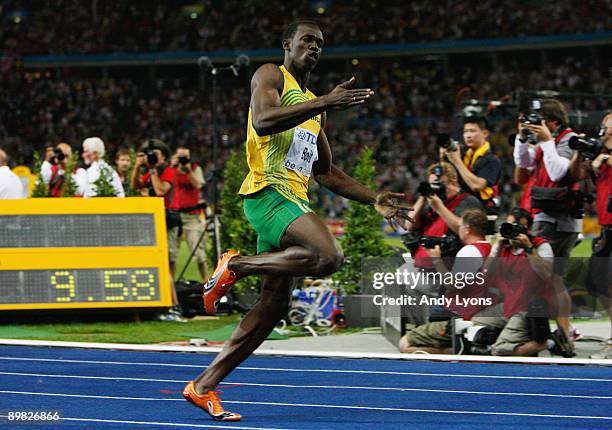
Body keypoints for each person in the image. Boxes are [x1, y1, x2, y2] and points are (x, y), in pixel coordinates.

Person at [183, 19, 409, 422]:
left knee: (272, 307)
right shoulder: (271, 75)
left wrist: (374, 198)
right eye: (307, 40)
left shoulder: (312, 108)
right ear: (287, 44)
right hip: (268, 194)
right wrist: (323, 101)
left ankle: (203, 386)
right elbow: (264, 119)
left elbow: (325, 171)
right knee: (328, 255)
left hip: (291, 200)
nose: (315, 47)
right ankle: (235, 266)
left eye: (321, 43)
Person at [512, 99, 579, 339]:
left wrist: (547, 140)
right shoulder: (547, 141)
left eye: (538, 120)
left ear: (551, 122)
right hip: (548, 215)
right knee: (554, 280)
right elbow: (525, 163)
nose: (534, 125)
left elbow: (558, 172)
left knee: (542, 277)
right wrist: (521, 139)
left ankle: (553, 331)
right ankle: (565, 330)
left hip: (557, 219)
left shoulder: (567, 140)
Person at [399, 208, 503, 354]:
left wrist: (436, 260)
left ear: (467, 230)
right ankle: (465, 349)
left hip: (459, 316)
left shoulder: (469, 251)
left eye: (460, 227)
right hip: (473, 311)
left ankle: (464, 350)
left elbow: (453, 285)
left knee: (405, 345)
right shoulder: (489, 249)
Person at [488, 208, 574, 357]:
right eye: (509, 225)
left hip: (528, 308)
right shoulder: (504, 247)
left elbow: (546, 274)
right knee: (475, 321)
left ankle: (552, 342)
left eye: (516, 227)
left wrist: (529, 249)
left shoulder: (541, 246)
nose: (512, 230)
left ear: (528, 229)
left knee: (499, 350)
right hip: (509, 305)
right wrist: (496, 247)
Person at [131, 139, 184, 322]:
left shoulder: (168, 171)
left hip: (169, 222)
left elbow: (161, 190)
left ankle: (174, 306)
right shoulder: (151, 172)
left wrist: (152, 170)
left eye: (156, 155)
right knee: (160, 265)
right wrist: (138, 167)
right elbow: (135, 186)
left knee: (167, 265)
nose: (153, 158)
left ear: (164, 157)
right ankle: (165, 303)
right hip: (154, 221)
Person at [583, 113, 612, 356]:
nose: (604, 130)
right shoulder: (599, 154)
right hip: (606, 227)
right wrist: (593, 167)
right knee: (598, 283)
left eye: (607, 126)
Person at [441, 116, 501, 210]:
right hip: (461, 206)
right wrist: (443, 158)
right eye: (465, 131)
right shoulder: (463, 155)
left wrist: (457, 161)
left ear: (485, 133)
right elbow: (448, 180)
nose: (468, 135)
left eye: (472, 131)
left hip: (480, 211)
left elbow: (477, 186)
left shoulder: (492, 160)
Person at [168, 145, 208, 280]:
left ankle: (207, 283)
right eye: (180, 157)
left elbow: (198, 185)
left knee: (199, 254)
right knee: (171, 254)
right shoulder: (170, 170)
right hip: (175, 215)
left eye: (185, 157)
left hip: (192, 215)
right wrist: (172, 167)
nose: (183, 160)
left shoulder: (195, 169)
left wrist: (188, 171)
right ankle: (171, 286)